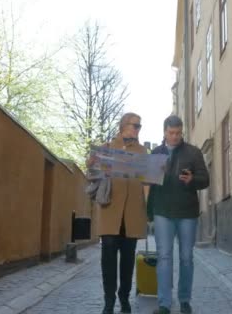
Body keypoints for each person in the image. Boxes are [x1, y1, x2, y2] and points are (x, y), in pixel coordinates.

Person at [87, 113, 149, 314]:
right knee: (108, 259)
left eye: (140, 126)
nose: (138, 129)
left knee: (128, 260)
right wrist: (93, 160)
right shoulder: (107, 147)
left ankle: (124, 297)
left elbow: (148, 180)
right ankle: (108, 300)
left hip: (132, 213)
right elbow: (91, 171)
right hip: (110, 211)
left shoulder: (142, 151)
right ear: (123, 125)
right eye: (135, 125)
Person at [147, 115, 210, 314]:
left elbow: (205, 179)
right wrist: (149, 212)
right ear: (165, 132)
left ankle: (184, 300)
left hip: (187, 213)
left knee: (186, 257)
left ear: (182, 132)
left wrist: (192, 179)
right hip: (163, 212)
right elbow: (150, 185)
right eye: (171, 133)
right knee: (164, 256)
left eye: (178, 133)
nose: (175, 137)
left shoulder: (193, 152)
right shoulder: (156, 153)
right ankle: (164, 303)